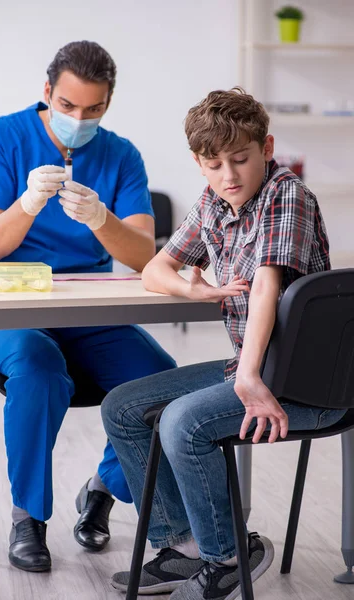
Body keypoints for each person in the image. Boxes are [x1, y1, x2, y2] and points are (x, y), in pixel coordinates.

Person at [101, 88, 346, 599]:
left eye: (240, 160)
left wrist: (252, 377)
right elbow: (154, 268)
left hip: (305, 384)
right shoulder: (215, 201)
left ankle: (230, 555)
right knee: (122, 407)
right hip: (253, 367)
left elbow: (265, 286)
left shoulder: (287, 194)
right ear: (199, 164)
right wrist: (197, 286)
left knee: (183, 421)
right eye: (214, 165)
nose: (229, 175)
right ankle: (183, 547)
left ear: (266, 147)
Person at [0, 40, 176, 572]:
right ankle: (28, 519)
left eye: (94, 109)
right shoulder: (0, 138)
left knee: (162, 382)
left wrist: (103, 219)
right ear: (48, 92)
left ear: (108, 103)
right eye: (70, 106)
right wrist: (27, 204)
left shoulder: (121, 155)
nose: (80, 119)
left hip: (84, 305)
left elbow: (146, 255)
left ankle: (101, 488)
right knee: (39, 368)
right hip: (2, 301)